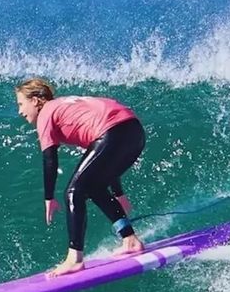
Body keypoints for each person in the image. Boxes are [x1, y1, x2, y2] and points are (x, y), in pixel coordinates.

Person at [14, 78, 146, 277]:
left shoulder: (46, 113)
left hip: (111, 131)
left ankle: (74, 259)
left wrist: (48, 197)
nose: (20, 111)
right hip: (134, 131)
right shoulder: (66, 107)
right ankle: (130, 239)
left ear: (35, 101)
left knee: (73, 192)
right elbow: (103, 160)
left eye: (21, 104)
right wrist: (118, 193)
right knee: (94, 187)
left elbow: (50, 159)